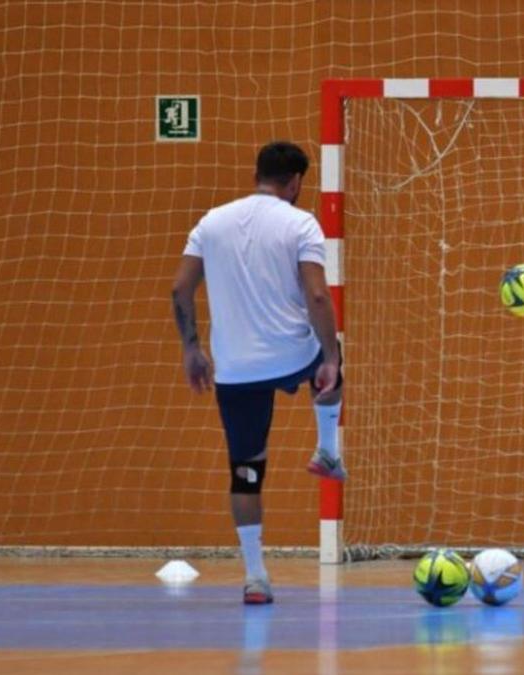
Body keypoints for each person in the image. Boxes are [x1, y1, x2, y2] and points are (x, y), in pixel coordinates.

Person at [171, 141, 344, 604]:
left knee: (246, 470)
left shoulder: (212, 222)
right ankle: (327, 451)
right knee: (331, 364)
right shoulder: (300, 222)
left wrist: (192, 350)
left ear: (257, 174)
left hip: (235, 368)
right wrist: (330, 356)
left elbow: (181, 288)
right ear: (295, 183)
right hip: (292, 354)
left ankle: (255, 577)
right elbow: (318, 297)